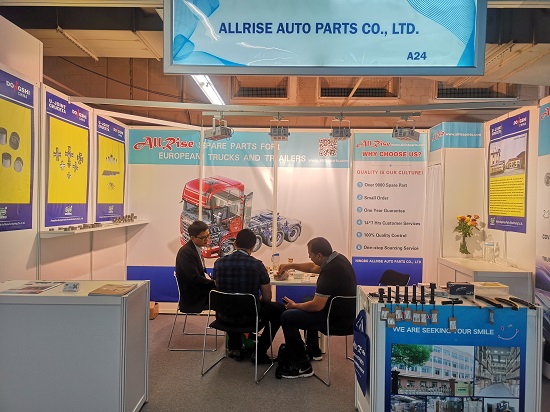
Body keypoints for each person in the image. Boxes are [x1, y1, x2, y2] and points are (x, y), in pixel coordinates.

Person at [276, 237, 357, 379]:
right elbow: (313, 268)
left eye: (310, 254)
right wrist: (289, 266)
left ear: (319, 255)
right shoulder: (337, 259)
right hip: (344, 314)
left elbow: (317, 305)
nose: (309, 257)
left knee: (287, 317)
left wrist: (295, 306)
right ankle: (313, 350)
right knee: (307, 299)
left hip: (335, 320)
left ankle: (302, 365)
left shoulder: (331, 271)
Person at [213, 228, 285, 363]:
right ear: (253, 246)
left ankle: (235, 347)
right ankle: (259, 352)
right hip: (249, 317)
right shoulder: (257, 265)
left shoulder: (218, 263)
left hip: (223, 316)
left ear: (235, 243)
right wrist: (257, 301)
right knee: (279, 310)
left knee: (232, 303)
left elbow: (219, 289)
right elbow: (267, 298)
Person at [175, 220, 215, 313]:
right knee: (225, 298)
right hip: (194, 296)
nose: (207, 239)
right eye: (203, 238)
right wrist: (213, 283)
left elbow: (202, 274)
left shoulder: (196, 249)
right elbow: (194, 277)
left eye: (208, 236)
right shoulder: (186, 252)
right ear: (192, 238)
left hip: (200, 289)